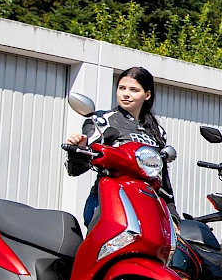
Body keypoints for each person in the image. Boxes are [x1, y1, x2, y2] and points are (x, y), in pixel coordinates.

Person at [65, 66, 175, 227]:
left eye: (133, 89)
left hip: (147, 205)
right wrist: (79, 149)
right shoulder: (102, 121)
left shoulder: (157, 131)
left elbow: (162, 176)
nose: (125, 94)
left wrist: (172, 214)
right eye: (121, 88)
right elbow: (75, 170)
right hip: (109, 201)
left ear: (147, 95)